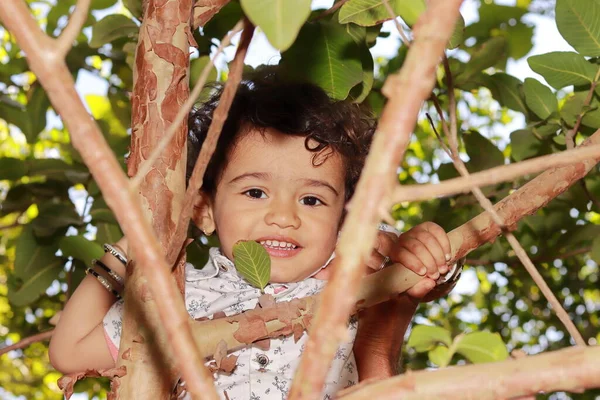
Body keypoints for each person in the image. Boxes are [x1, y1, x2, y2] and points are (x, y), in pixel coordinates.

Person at [49, 70, 455, 399]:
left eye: (312, 200)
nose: (283, 216)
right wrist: (133, 245)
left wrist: (426, 251)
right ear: (204, 211)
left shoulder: (352, 273)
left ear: (342, 219)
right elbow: (68, 352)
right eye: (255, 192)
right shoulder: (181, 297)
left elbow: (418, 271)